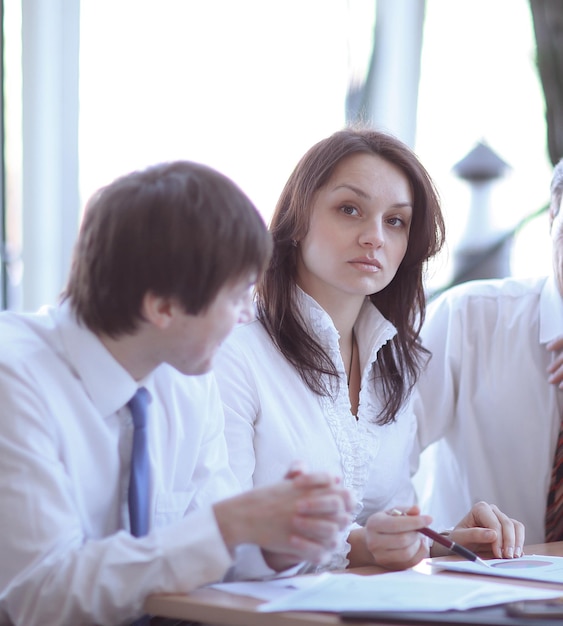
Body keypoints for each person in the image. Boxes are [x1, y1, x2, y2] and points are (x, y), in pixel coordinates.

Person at [0, 161, 354, 626]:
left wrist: (275, 540)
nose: (247, 315)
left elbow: (207, 547)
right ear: (163, 307)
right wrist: (229, 524)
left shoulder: (186, 375)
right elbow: (39, 596)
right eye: (235, 297)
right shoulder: (15, 381)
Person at [214, 127, 524, 573]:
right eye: (350, 209)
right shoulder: (236, 352)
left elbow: (389, 522)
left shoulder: (399, 363)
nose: (374, 236)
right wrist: (363, 545)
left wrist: (440, 542)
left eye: (395, 221)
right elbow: (223, 543)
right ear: (297, 219)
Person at [412, 157, 563, 547]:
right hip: (470, 586)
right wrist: (425, 539)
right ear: (553, 216)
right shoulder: (468, 318)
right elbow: (375, 462)